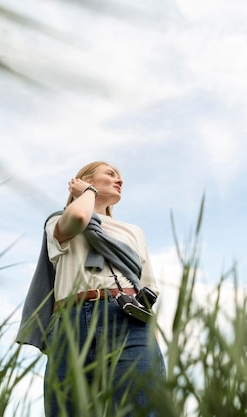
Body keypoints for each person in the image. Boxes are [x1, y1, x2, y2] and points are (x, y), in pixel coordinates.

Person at [16, 161, 165, 417]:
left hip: (127, 318)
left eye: (119, 176)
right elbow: (78, 218)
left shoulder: (133, 231)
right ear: (86, 180)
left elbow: (147, 288)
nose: (119, 179)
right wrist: (86, 193)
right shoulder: (57, 220)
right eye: (110, 174)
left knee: (142, 408)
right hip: (71, 322)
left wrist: (153, 339)